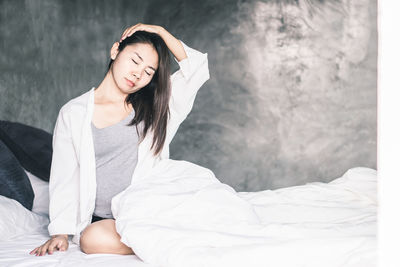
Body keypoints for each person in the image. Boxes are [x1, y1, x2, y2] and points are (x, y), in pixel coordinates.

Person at [29, 23, 210, 256]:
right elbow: (65, 176)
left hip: (149, 209)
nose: (137, 73)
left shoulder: (156, 107)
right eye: (135, 61)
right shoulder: (74, 113)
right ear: (115, 51)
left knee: (204, 209)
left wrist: (161, 33)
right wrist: (60, 233)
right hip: (107, 222)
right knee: (91, 240)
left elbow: (196, 68)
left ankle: (175, 237)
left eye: (148, 72)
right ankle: (174, 241)